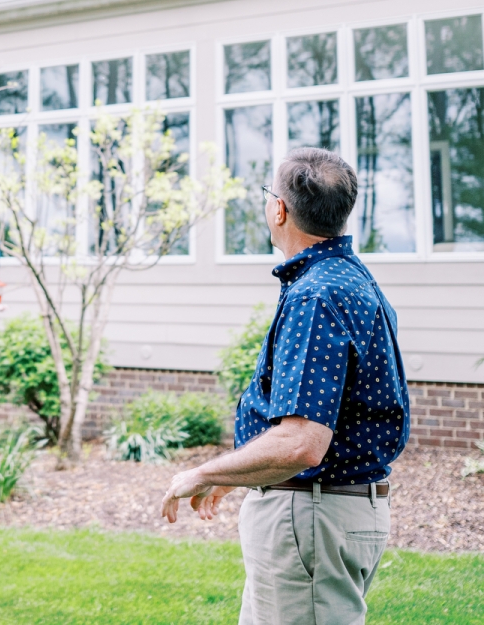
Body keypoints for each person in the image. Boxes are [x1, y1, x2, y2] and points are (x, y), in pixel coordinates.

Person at [160, 147, 409, 625]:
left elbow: (302, 444)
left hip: (311, 519)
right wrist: (236, 474)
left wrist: (202, 472)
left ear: (279, 209)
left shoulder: (317, 293)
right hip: (323, 515)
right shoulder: (350, 280)